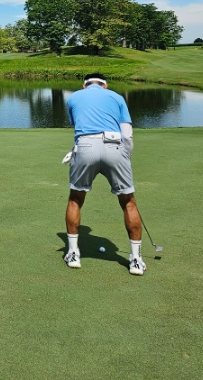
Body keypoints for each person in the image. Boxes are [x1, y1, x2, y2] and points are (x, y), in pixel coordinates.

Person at [63, 73, 146, 276]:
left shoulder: (72, 97)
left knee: (75, 199)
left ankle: (73, 254)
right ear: (105, 85)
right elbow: (127, 134)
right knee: (128, 202)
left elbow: (78, 127)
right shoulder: (117, 97)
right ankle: (136, 260)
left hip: (85, 147)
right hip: (114, 147)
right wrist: (126, 156)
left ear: (84, 85)